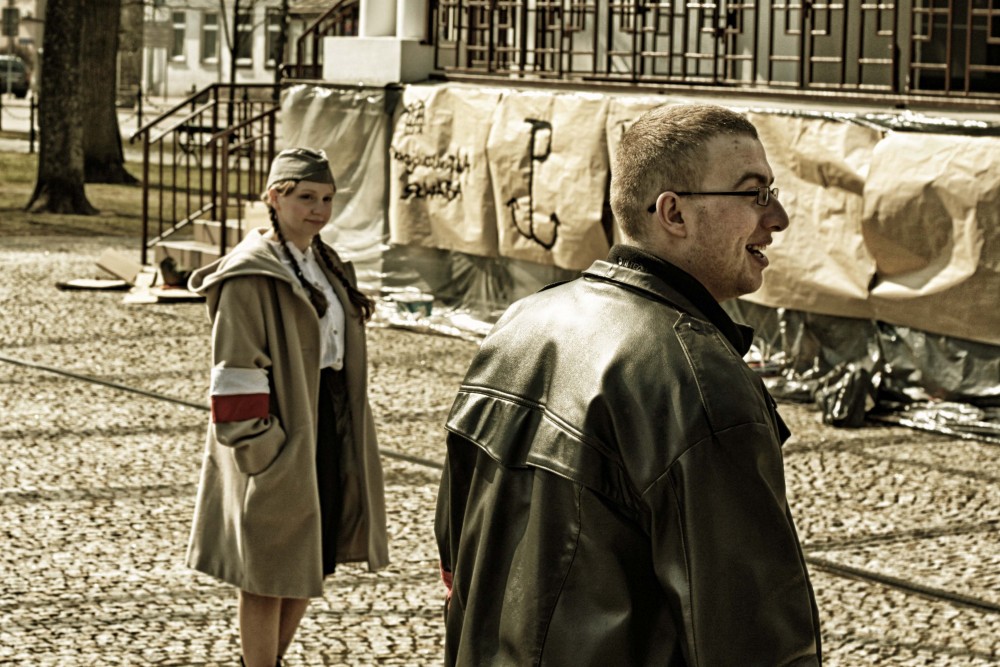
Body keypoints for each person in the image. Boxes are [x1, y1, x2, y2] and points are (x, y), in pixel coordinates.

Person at [434, 104, 822, 665]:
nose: (778, 217)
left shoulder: (521, 322)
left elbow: (455, 564)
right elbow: (753, 638)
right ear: (674, 213)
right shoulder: (698, 377)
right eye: (754, 194)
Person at [186, 147, 389, 667]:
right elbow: (234, 371)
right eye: (306, 198)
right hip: (278, 430)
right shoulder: (251, 274)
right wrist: (262, 448)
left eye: (327, 199)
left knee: (310, 560)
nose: (319, 210)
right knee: (266, 570)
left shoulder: (327, 265)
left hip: (327, 424)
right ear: (274, 198)